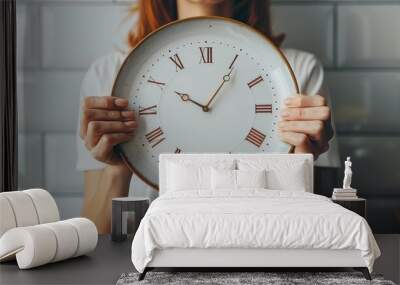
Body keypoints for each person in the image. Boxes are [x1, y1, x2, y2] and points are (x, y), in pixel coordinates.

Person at [77, 0, 338, 233]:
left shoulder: (298, 72)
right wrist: (120, 165)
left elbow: (320, 231)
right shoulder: (110, 75)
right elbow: (96, 239)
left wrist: (298, 163)